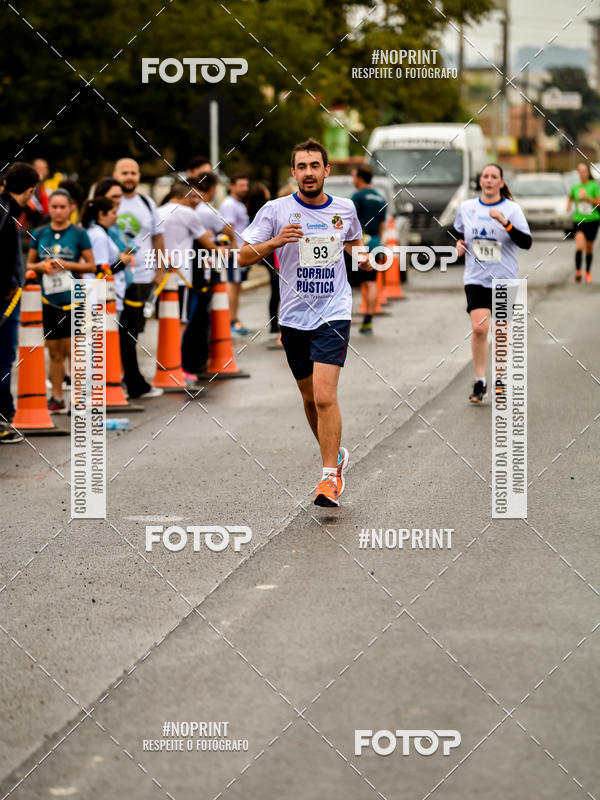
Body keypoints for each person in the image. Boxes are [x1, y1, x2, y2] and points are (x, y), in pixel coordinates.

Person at [239, 138, 369, 507]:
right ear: (293, 172)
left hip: (333, 311)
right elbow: (242, 256)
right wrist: (276, 241)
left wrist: (361, 258)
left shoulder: (345, 208)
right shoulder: (275, 211)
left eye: (315, 166)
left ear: (327, 171)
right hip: (293, 316)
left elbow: (354, 240)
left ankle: (328, 478)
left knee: (326, 396)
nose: (309, 172)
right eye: (302, 166)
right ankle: (336, 456)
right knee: (310, 399)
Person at [453, 163, 532, 404]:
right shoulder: (467, 207)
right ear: (480, 181)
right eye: (485, 176)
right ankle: (480, 381)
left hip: (504, 279)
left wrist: (505, 222)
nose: (488, 180)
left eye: (493, 177)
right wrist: (458, 244)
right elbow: (458, 232)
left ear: (501, 182)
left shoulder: (512, 209)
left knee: (500, 333)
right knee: (479, 329)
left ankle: (499, 380)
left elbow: (526, 242)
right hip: (476, 278)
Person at [27, 188, 95, 412]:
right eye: (54, 207)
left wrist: (67, 265)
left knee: (73, 349)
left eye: (62, 207)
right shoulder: (39, 232)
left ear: (70, 208)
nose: (58, 211)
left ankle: (78, 398)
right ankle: (56, 397)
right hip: (48, 299)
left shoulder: (78, 233)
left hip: (73, 297)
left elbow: (90, 265)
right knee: (55, 350)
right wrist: (42, 266)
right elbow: (29, 264)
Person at [113, 157, 165, 399]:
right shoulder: (109, 201)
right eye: (124, 172)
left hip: (143, 275)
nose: (129, 177)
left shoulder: (146, 202)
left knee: (133, 330)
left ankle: (124, 378)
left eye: (133, 172)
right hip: (114, 276)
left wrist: (160, 269)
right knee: (123, 331)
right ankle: (129, 381)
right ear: (115, 175)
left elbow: (157, 237)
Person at [0, 162, 40, 443]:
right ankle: (3, 421)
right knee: (3, 358)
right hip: (5, 299)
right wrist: (10, 285)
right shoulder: (7, 213)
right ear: (30, 190)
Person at [350, 165, 386, 334]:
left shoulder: (357, 197)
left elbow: (350, 221)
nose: (353, 179)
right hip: (375, 243)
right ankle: (368, 321)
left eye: (354, 175)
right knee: (371, 282)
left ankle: (345, 319)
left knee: (347, 283)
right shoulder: (380, 198)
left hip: (359, 244)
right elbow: (383, 225)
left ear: (360, 177)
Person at [92, 177, 134, 313]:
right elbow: (101, 268)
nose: (117, 200)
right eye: (113, 196)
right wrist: (122, 261)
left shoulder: (111, 225)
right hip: (101, 297)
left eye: (120, 196)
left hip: (118, 290)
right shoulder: (96, 231)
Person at [246, 182, 280, 336]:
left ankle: (274, 322)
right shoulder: (266, 211)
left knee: (276, 288)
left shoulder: (251, 210)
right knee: (276, 288)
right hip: (271, 253)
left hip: (264, 254)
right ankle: (274, 323)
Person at [219, 173, 250, 335]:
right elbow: (227, 227)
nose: (244, 188)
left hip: (241, 250)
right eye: (241, 185)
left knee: (237, 286)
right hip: (236, 252)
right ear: (232, 186)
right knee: (233, 285)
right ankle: (231, 321)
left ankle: (234, 319)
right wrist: (233, 247)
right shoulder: (229, 204)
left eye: (246, 185)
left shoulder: (239, 204)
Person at [567, 162, 600, 283]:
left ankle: (588, 272)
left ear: (588, 173)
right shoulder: (575, 187)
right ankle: (578, 271)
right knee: (580, 246)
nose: (582, 173)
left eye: (584, 171)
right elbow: (570, 197)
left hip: (592, 220)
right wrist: (568, 205)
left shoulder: (594, 186)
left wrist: (587, 198)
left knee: (589, 249)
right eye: (580, 171)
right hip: (579, 220)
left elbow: (598, 203)